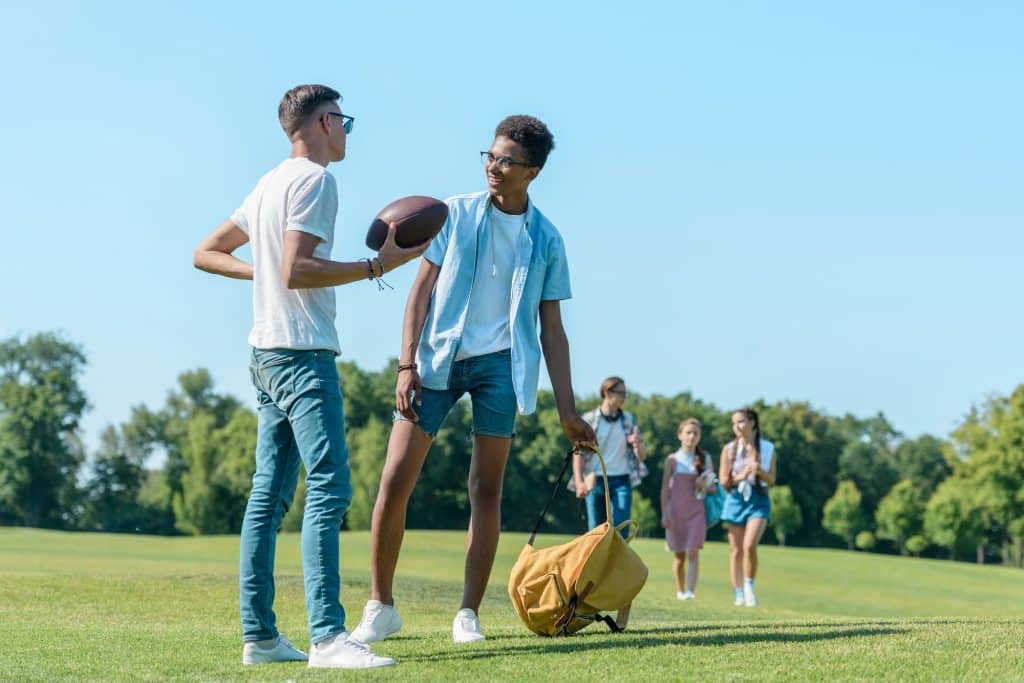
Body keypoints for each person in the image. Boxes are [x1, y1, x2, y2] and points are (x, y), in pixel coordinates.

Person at [193, 84, 424, 669]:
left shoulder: (269, 182)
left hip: (265, 353)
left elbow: (207, 251)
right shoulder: (317, 181)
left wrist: (263, 278)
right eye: (343, 120)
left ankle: (262, 638)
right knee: (329, 489)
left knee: (266, 497)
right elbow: (297, 270)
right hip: (301, 355)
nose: (346, 131)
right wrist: (377, 266)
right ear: (325, 121)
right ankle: (327, 636)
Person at [350, 115, 597, 646]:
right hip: (436, 362)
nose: (493, 166)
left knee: (486, 491)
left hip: (501, 371)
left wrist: (567, 410)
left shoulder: (548, 239)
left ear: (531, 171)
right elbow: (420, 291)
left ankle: (467, 613)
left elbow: (553, 331)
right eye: (489, 155)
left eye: (506, 160)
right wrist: (406, 364)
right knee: (394, 480)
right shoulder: (454, 214)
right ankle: (380, 606)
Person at [571, 376, 648, 628]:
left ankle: (620, 583)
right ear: (606, 392)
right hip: (597, 480)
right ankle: (590, 587)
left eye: (625, 393)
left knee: (622, 532)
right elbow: (580, 452)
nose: (624, 397)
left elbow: (642, 455)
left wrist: (638, 445)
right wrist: (579, 481)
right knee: (596, 534)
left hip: (622, 479)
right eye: (620, 392)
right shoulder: (591, 419)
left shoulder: (628, 421)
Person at [719, 408, 777, 608]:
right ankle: (738, 592)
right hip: (735, 498)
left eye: (741, 421)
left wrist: (759, 471)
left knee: (749, 545)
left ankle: (749, 586)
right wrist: (740, 476)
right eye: (734, 423)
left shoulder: (768, 448)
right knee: (735, 550)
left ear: (753, 423)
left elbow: (772, 479)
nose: (737, 426)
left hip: (758, 498)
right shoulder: (729, 449)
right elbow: (724, 480)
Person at [661, 418, 715, 600]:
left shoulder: (706, 459)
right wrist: (664, 514)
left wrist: (702, 485)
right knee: (680, 556)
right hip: (675, 513)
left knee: (693, 551)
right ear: (680, 435)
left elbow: (713, 488)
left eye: (696, 433)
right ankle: (680, 591)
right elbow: (664, 490)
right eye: (688, 433)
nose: (692, 436)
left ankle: (690, 592)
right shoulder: (672, 460)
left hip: (696, 512)